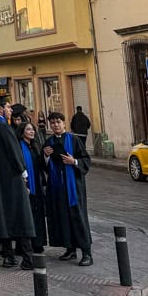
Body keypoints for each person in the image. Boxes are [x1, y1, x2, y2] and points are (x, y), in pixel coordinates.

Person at [0, 94, 35, 268]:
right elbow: (14, 152)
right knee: (21, 218)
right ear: (1, 109)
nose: (10, 110)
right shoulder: (4, 127)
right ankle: (28, 258)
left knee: (3, 219)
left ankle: (9, 256)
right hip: (12, 181)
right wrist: (24, 174)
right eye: (8, 107)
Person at [43, 111, 93, 266]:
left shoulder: (75, 139)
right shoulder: (49, 142)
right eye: (52, 123)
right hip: (57, 188)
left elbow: (86, 160)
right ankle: (70, 249)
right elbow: (43, 166)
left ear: (64, 123)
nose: (56, 125)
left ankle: (86, 253)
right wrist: (45, 156)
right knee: (63, 218)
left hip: (74, 188)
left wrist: (74, 161)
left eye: (58, 122)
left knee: (78, 218)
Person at [17, 120, 47, 268]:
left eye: (32, 129)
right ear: (22, 131)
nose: (31, 132)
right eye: (28, 129)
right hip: (26, 187)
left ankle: (38, 242)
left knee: (38, 214)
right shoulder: (19, 146)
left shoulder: (35, 146)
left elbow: (41, 165)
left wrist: (45, 157)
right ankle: (27, 245)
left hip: (37, 186)